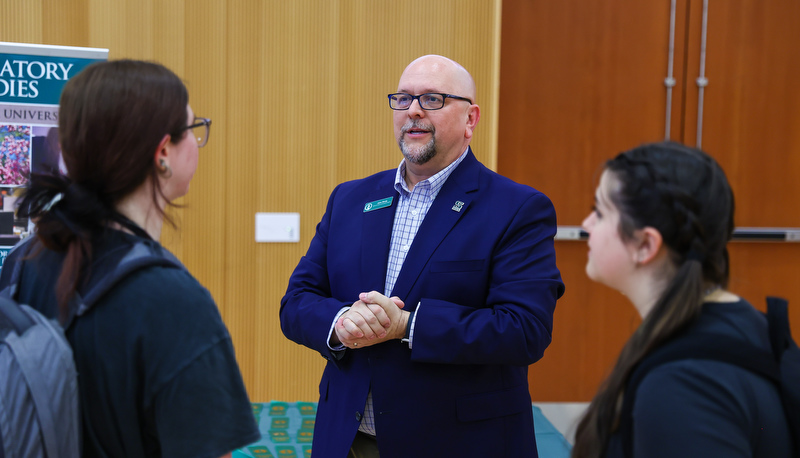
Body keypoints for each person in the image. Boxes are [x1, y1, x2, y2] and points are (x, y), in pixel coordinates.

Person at [280, 54, 565, 458]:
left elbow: (524, 329)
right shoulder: (350, 199)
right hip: (346, 439)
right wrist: (341, 322)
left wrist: (409, 325)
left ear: (471, 119)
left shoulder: (517, 209)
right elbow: (296, 301)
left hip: (457, 443)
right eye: (403, 99)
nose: (413, 110)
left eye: (432, 99)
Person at [0, 60, 260, 458]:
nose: (196, 141)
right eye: (192, 129)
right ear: (163, 154)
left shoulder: (22, 262)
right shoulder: (174, 302)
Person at [571, 141, 792, 457]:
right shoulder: (741, 321)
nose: (586, 225)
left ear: (646, 245)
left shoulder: (682, 385)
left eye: (600, 212)